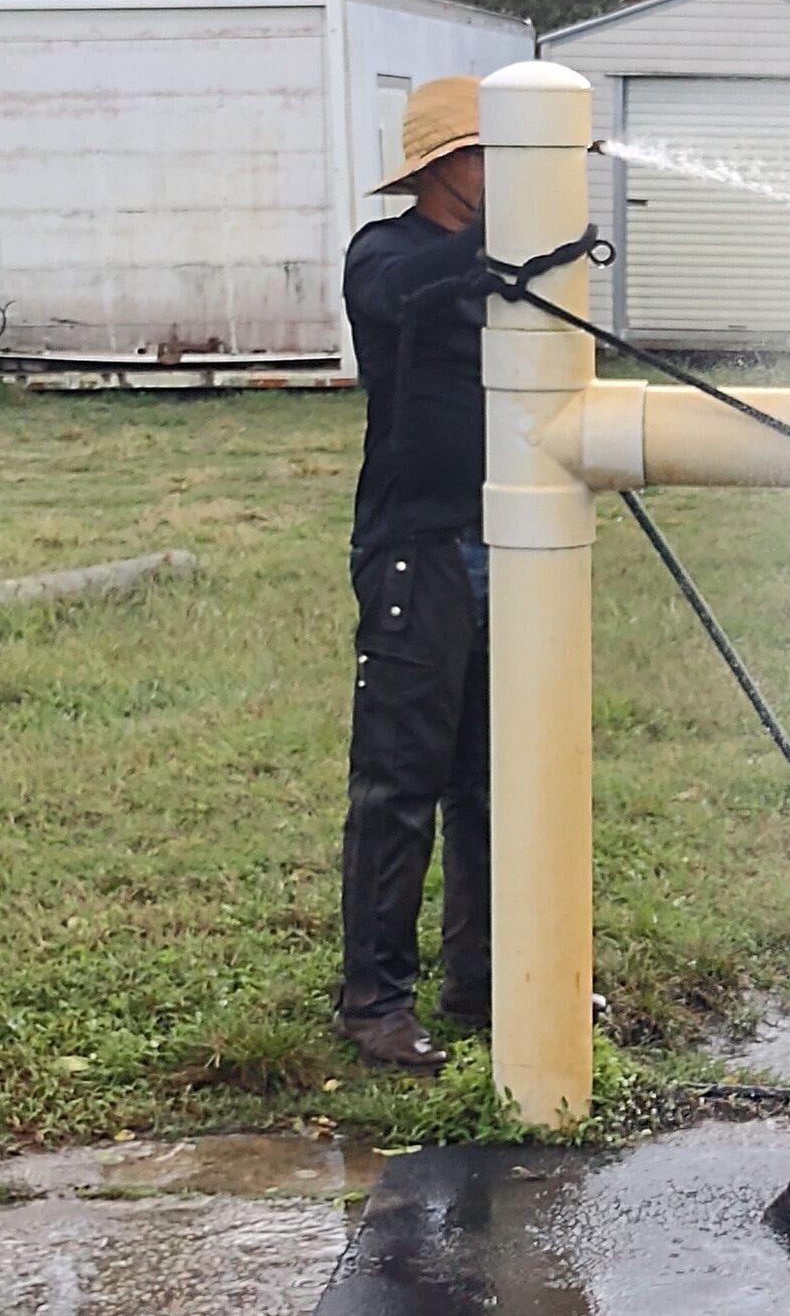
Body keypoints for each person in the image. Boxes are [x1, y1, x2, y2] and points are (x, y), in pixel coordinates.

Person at [335, 77, 491, 1070]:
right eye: (495, 157)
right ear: (442, 167)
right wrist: (503, 251)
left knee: (495, 782)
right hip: (416, 552)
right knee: (399, 781)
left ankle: (484, 983)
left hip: (509, 549)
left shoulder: (509, 267)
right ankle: (373, 1001)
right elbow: (406, 297)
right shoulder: (385, 256)